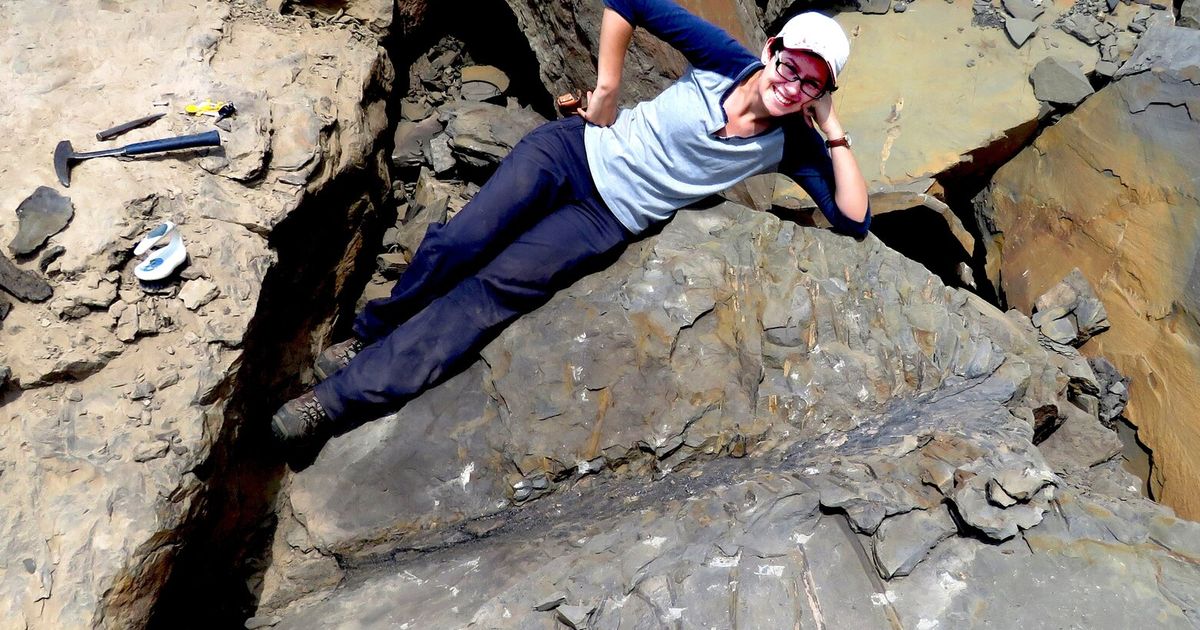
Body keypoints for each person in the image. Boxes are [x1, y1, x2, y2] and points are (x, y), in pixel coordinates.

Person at [271, 0, 871, 443]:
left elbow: (853, 220)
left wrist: (833, 128)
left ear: (821, 95)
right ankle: (371, 335)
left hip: (603, 217)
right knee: (462, 240)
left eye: (811, 86)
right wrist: (607, 89)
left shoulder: (794, 144)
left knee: (489, 296)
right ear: (771, 50)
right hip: (571, 151)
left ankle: (334, 402)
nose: (792, 88)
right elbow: (630, 4)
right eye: (790, 68)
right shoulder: (724, 59)